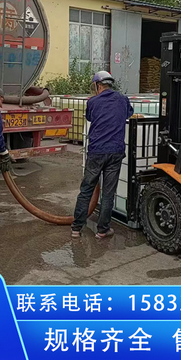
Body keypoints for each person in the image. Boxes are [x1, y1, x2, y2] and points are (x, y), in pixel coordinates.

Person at [71, 71, 134, 239]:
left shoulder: (93, 102)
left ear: (98, 86)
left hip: (97, 152)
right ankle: (102, 230)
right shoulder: (122, 99)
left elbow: (90, 118)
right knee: (108, 193)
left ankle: (76, 229)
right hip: (115, 152)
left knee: (86, 190)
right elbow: (129, 113)